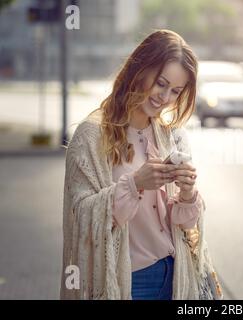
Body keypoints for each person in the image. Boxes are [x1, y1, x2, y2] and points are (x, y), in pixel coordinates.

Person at [60, 29, 220, 300]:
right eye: (161, 83)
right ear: (140, 69)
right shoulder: (92, 134)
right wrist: (135, 184)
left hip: (176, 275)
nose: (165, 97)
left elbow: (185, 225)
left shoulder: (172, 135)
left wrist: (187, 193)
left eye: (175, 91)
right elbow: (81, 217)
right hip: (130, 281)